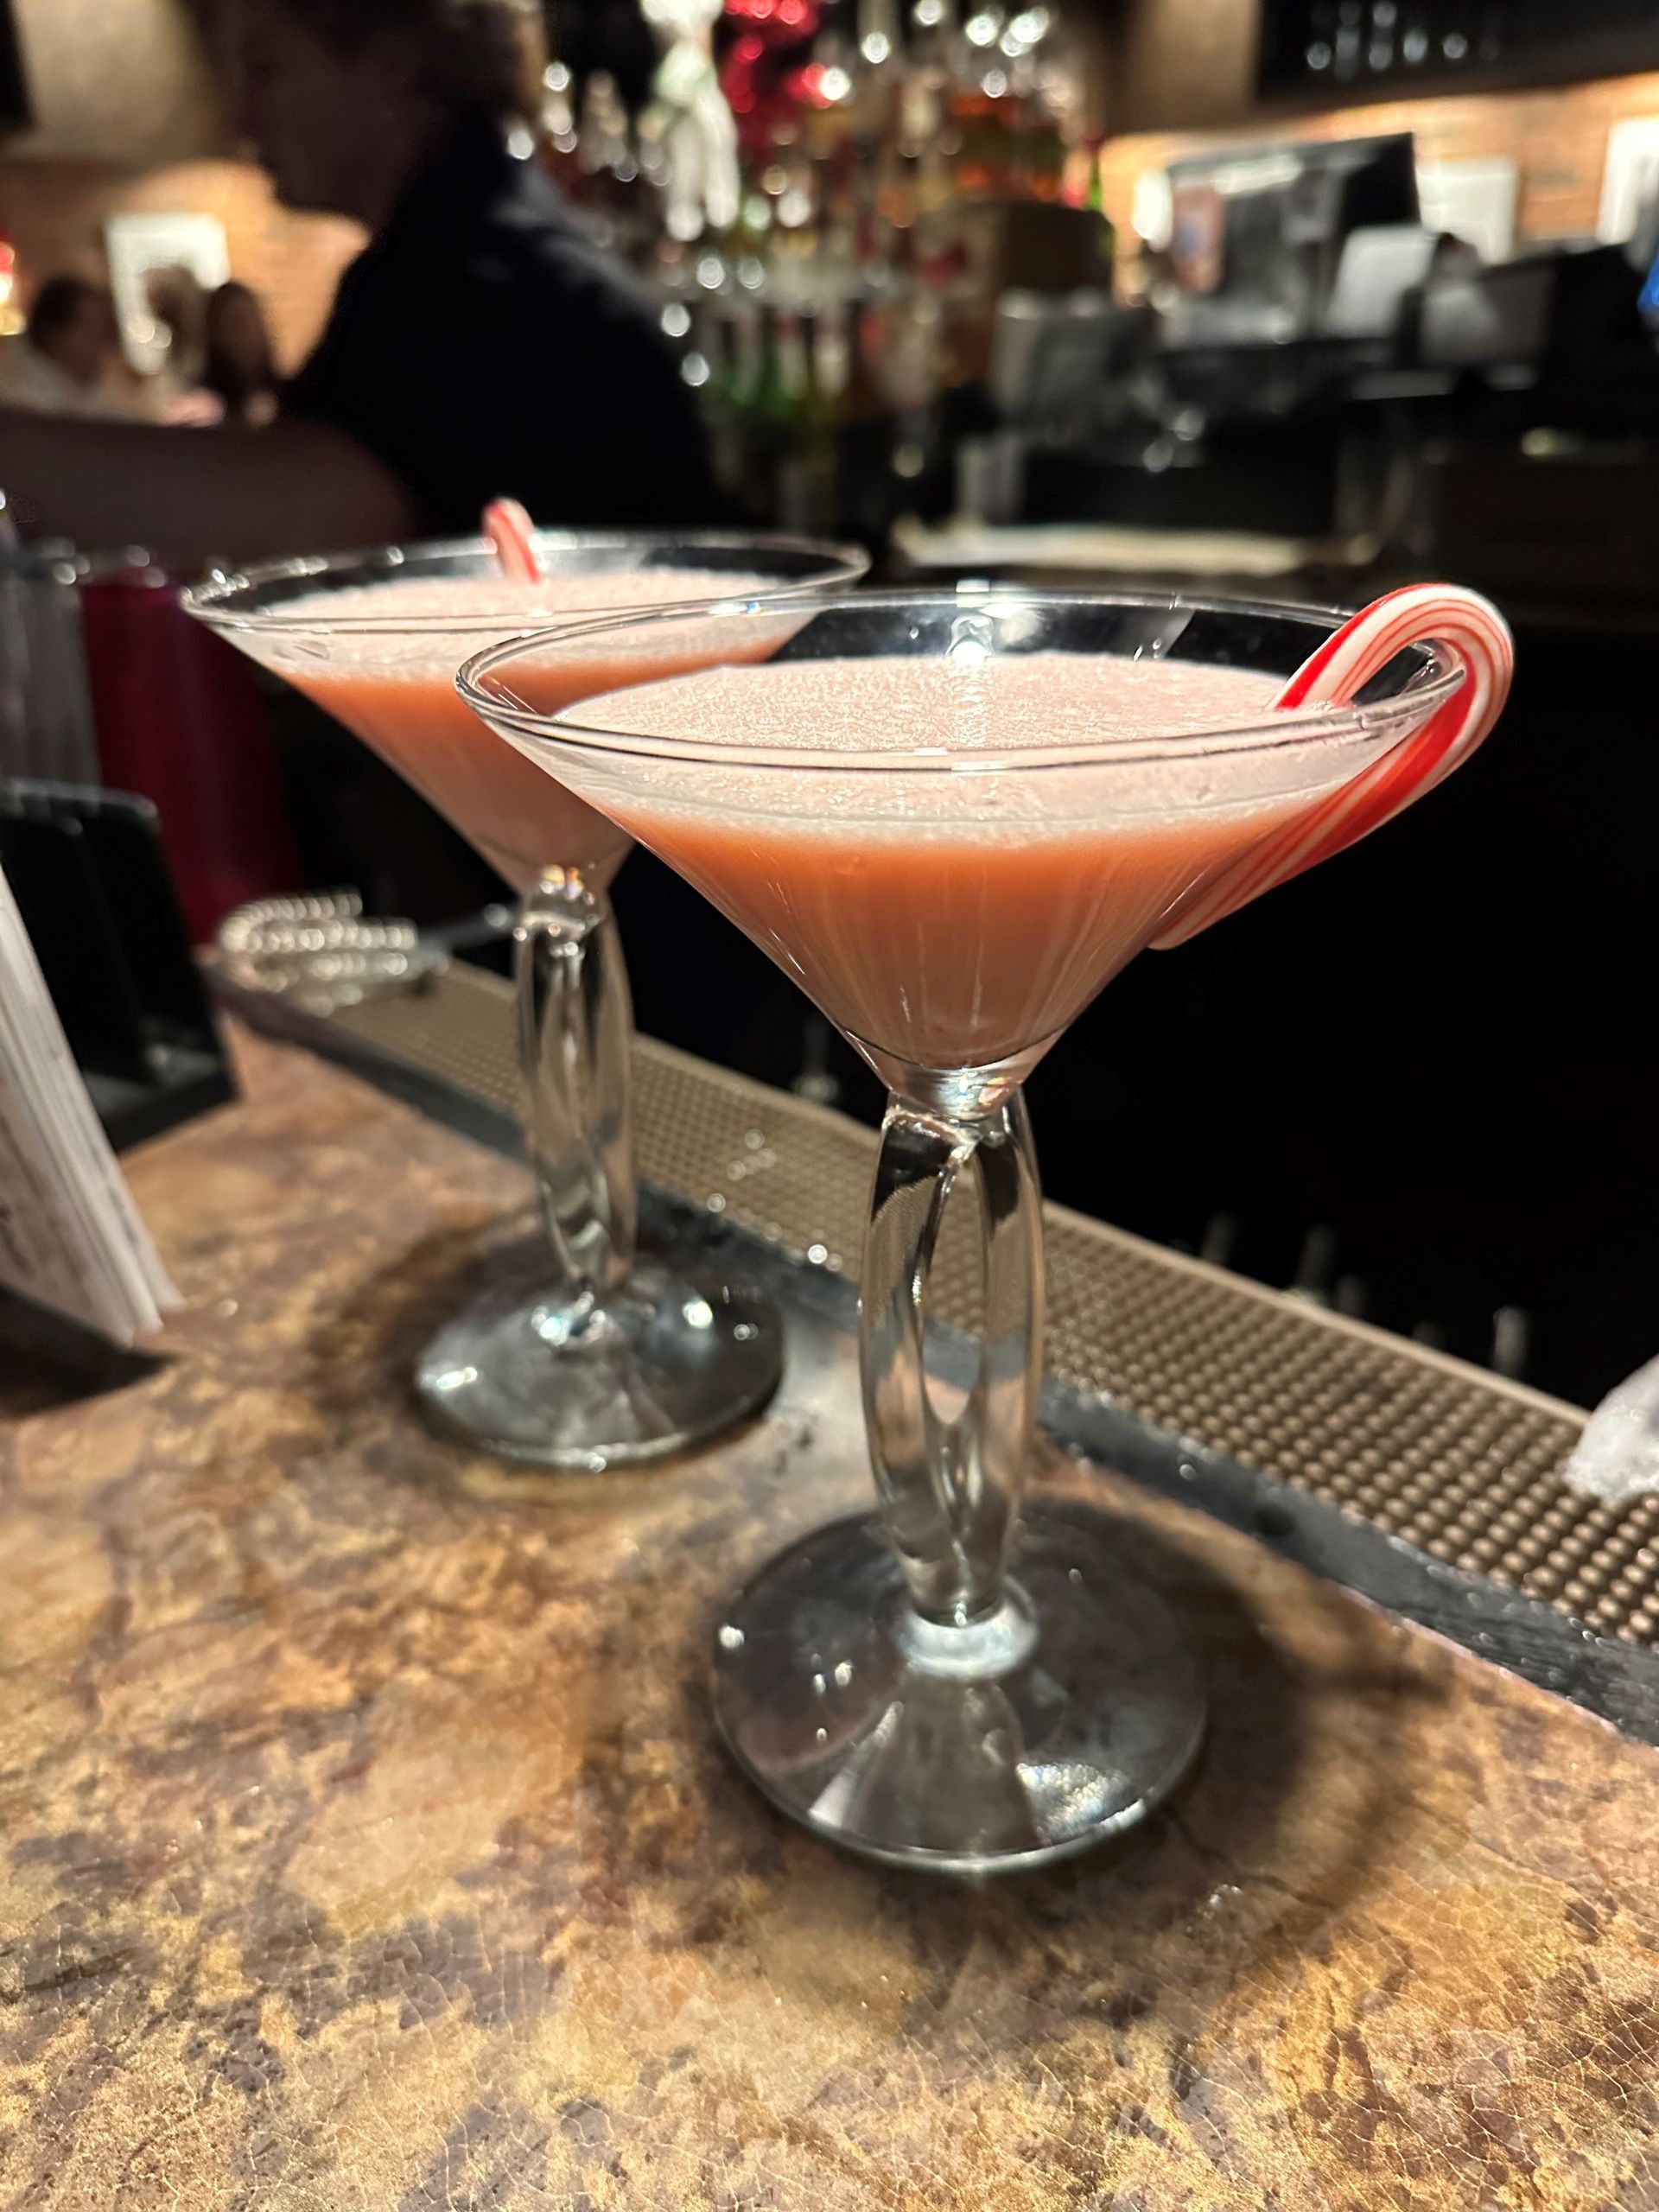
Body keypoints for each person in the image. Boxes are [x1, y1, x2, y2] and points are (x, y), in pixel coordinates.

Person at [0, 0, 719, 569]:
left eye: (264, 68)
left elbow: (308, 523)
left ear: (397, 66)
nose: (243, 116)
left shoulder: (482, 275)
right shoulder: (450, 245)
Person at [0, 276, 132, 420]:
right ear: (54, 333)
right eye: (91, 330)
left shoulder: (98, 397)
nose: (105, 342)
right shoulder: (22, 408)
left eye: (105, 330)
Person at [202, 282, 281, 427]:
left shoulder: (284, 392)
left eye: (248, 320)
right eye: (233, 322)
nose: (244, 331)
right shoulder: (204, 398)